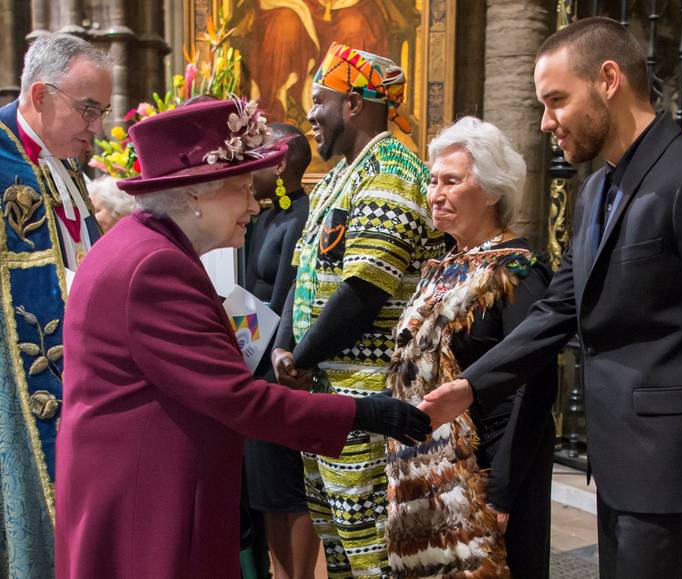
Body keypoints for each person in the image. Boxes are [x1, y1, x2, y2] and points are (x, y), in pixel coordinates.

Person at [420, 17, 682, 579]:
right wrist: (471, 387)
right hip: (617, 459)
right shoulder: (595, 190)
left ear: (609, 79)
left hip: (672, 457)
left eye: (556, 101)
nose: (546, 123)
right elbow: (557, 310)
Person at [53, 98, 431, 579]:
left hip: (137, 481)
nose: (256, 204)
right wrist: (365, 412)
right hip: (147, 499)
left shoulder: (142, 244)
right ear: (195, 195)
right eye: (242, 190)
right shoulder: (154, 266)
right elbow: (236, 397)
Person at [270, 42, 444, 578]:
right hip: (329, 398)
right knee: (341, 550)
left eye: (319, 100)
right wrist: (282, 346)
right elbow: (304, 280)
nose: (311, 115)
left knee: (375, 557)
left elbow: (364, 292)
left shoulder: (390, 169)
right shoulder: (341, 177)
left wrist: (297, 357)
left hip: (369, 399)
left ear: (354, 104)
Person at [385, 116, 556, 578]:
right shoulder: (443, 266)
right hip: (423, 473)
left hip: (485, 472)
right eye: (433, 181)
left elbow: (535, 385)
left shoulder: (519, 270)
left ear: (494, 191)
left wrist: (502, 490)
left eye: (452, 181)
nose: (436, 194)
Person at [0, 33, 109, 578]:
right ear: (41, 95)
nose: (96, 127)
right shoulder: (3, 161)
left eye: (101, 111)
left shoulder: (60, 164)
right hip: (17, 390)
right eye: (88, 109)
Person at [241, 123, 320, 579]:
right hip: (253, 358)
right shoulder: (268, 213)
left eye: (260, 154)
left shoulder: (302, 215)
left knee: (288, 486)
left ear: (281, 161)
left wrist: (256, 354)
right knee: (264, 486)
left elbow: (289, 296)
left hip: (277, 364)